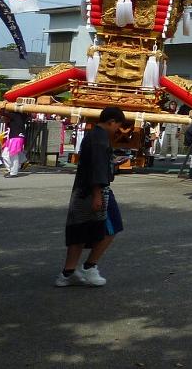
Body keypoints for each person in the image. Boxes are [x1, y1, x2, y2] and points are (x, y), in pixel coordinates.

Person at [56, 106, 128, 287]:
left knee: (79, 230)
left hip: (81, 190)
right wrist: (97, 194)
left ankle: (68, 272)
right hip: (96, 190)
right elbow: (97, 167)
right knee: (113, 226)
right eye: (117, 126)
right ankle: (90, 265)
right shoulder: (100, 139)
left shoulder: (92, 135)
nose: (118, 130)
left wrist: (112, 162)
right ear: (111, 122)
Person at [2, 110, 28, 177]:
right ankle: (11, 170)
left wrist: (3, 107)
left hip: (16, 137)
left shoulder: (16, 115)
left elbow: (2, 112)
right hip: (13, 137)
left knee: (13, 155)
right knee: (5, 154)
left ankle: (13, 172)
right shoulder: (17, 116)